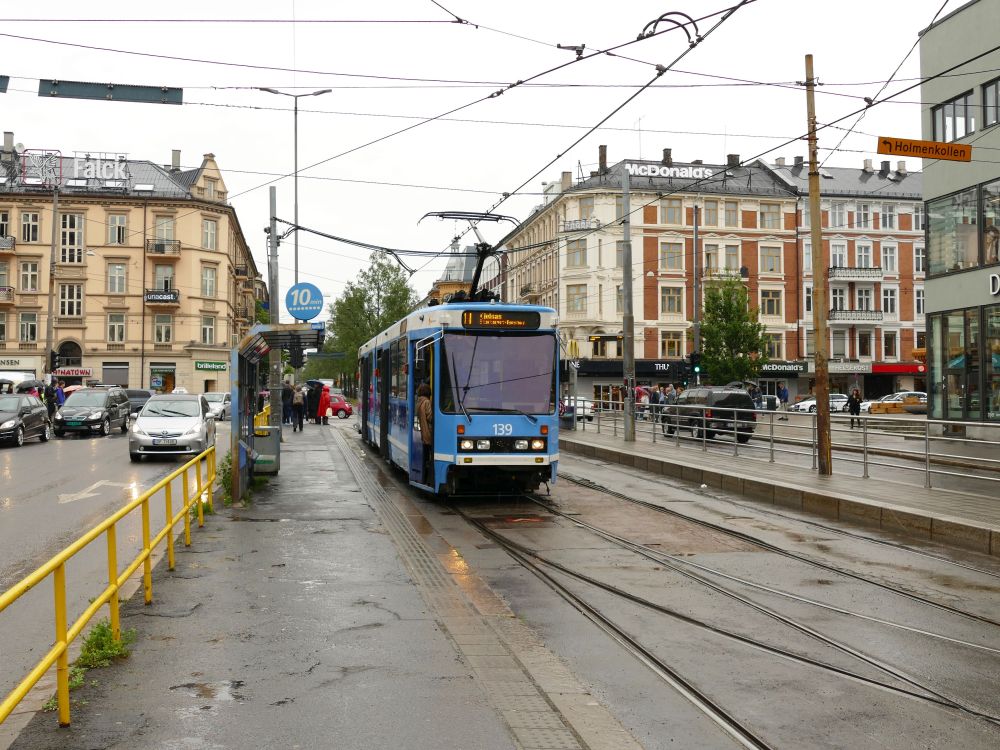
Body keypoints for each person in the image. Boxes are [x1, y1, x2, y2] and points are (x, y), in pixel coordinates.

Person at [416, 383, 433, 484]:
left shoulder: (419, 402)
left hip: (424, 433)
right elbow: (430, 417)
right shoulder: (426, 402)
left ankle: (424, 478)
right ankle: (428, 479)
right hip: (429, 433)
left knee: (425, 456)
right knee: (429, 457)